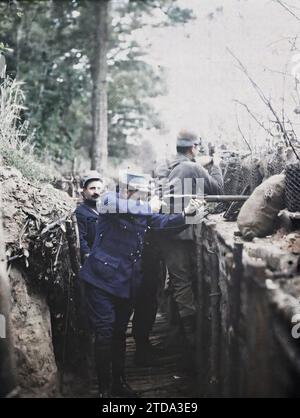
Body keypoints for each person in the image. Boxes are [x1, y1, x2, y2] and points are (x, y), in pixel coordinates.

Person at [79, 171, 204, 398]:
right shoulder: (109, 200)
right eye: (142, 194)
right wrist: (150, 206)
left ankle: (119, 383)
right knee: (105, 333)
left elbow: (164, 223)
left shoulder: (141, 212)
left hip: (126, 284)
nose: (145, 199)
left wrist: (188, 214)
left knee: (118, 333)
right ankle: (104, 391)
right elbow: (128, 207)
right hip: (100, 281)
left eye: (147, 195)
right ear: (127, 191)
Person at [158, 130, 223, 371]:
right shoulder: (192, 168)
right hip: (180, 235)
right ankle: (190, 353)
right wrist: (216, 163)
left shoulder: (171, 165)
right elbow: (218, 189)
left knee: (176, 286)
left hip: (169, 234)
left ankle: (179, 343)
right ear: (193, 148)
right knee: (184, 290)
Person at [75, 171, 104, 263]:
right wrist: (88, 256)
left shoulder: (104, 209)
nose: (96, 192)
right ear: (84, 191)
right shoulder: (81, 212)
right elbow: (81, 239)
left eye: (99, 188)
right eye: (92, 188)